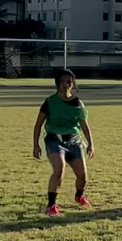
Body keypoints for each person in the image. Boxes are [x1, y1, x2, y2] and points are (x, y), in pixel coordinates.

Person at [32, 69, 94, 216]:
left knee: (83, 176)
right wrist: (35, 145)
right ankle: (52, 204)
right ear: (57, 84)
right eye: (63, 82)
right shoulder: (49, 102)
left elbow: (84, 125)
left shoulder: (78, 103)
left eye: (69, 82)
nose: (66, 85)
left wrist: (91, 144)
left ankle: (79, 196)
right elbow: (38, 125)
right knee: (59, 171)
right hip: (55, 139)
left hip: (74, 141)